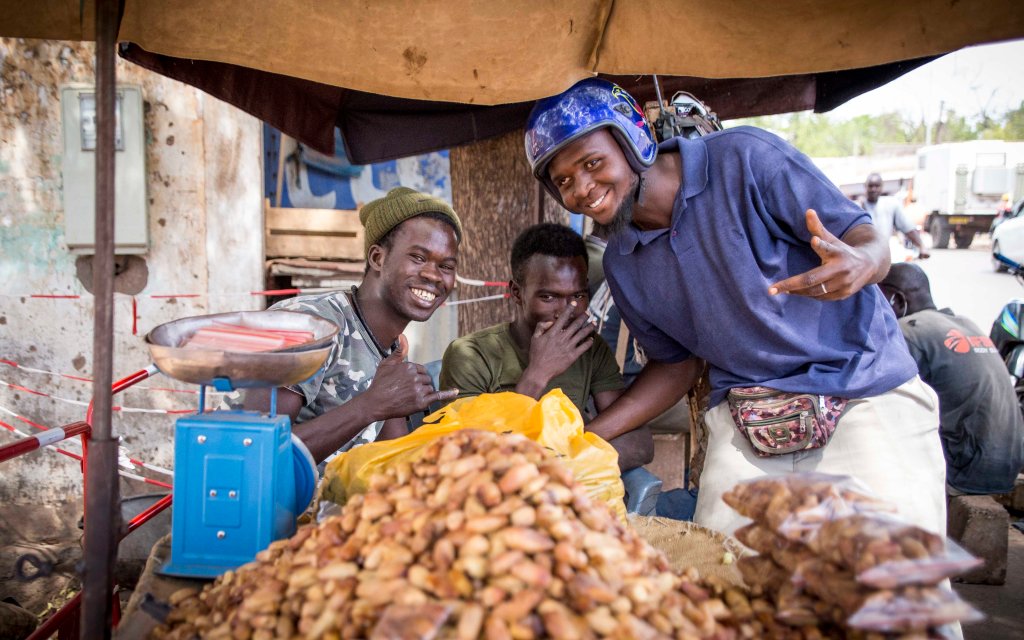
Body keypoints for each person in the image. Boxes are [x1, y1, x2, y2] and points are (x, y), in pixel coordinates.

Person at [523, 78, 947, 537]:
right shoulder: (622, 262)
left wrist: (863, 262)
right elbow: (676, 365)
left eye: (592, 163)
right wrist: (585, 439)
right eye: (564, 181)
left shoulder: (745, 158)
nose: (582, 189)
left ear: (633, 138)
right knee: (723, 577)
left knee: (900, 589)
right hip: (748, 414)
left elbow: (865, 237)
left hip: (862, 390)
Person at [245, 187, 461, 465]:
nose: (433, 275)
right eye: (418, 257)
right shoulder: (308, 325)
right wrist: (372, 405)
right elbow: (255, 451)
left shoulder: (391, 348)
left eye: (446, 266)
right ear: (377, 258)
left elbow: (393, 456)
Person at [438, 223, 654, 471]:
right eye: (548, 297)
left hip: (566, 487)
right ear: (517, 293)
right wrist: (538, 373)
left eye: (578, 296)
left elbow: (639, 442)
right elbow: (471, 457)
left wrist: (568, 455)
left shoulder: (590, 349)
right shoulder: (470, 355)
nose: (567, 311)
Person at [880, 263, 1024, 495]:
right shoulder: (967, 324)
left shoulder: (907, 331)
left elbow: (885, 404)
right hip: (1006, 467)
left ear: (896, 301)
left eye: (879, 300)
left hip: (966, 472)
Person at [863, 172, 930, 259]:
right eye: (871, 186)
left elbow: (907, 227)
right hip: (863, 255)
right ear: (865, 187)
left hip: (883, 255)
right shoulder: (857, 206)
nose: (873, 189)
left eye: (877, 186)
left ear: (882, 187)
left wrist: (922, 246)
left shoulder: (891, 204)